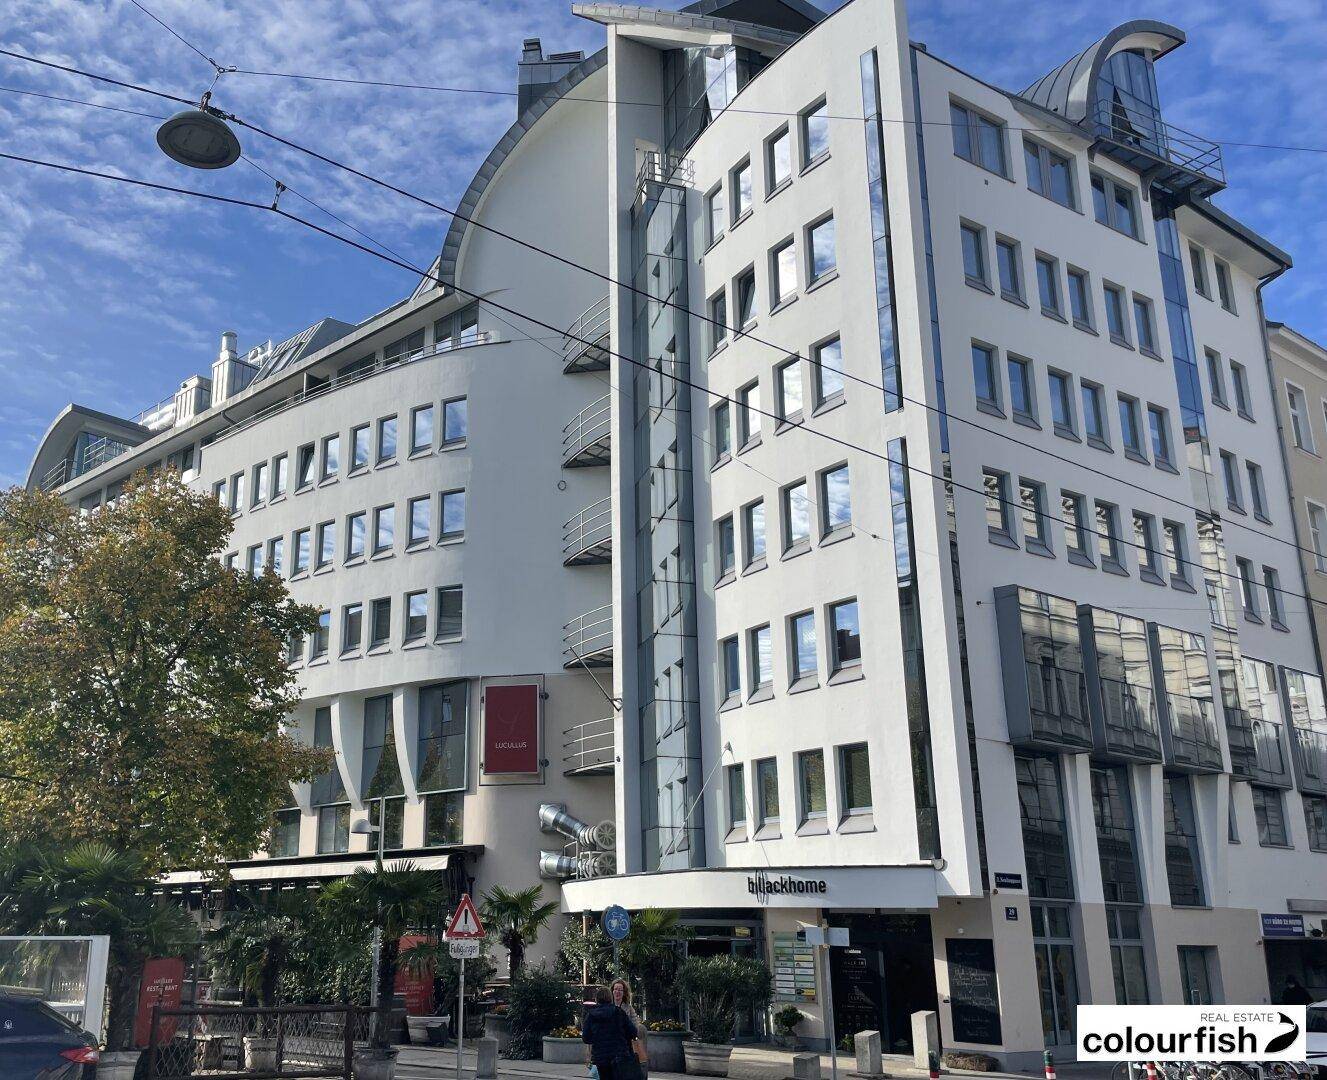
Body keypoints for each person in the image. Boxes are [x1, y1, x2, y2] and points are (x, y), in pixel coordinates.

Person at [582, 985, 639, 1080]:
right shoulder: (619, 1012)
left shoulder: (591, 1015)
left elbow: (586, 1038)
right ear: (610, 998)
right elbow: (633, 1032)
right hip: (619, 1055)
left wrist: (597, 1039)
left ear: (597, 999)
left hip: (601, 1057)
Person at [611, 979, 648, 1076]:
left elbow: (635, 1023)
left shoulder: (628, 1007)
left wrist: (632, 1030)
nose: (617, 992)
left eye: (620, 990)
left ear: (624, 993)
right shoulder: (608, 1006)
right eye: (615, 989)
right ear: (612, 991)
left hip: (625, 1043)